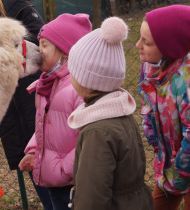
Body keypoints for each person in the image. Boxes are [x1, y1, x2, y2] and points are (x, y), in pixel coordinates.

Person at [0, 0, 53, 209]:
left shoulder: (16, 5)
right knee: (30, 157)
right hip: (8, 100)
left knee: (46, 153)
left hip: (30, 93)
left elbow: (40, 41)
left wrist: (6, 45)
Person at [66, 16, 154, 209]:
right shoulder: (121, 113)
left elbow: (91, 199)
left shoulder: (97, 132)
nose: (69, 74)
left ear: (85, 80)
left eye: (72, 69)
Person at [19, 13, 92, 210]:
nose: (38, 50)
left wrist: (65, 170)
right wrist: (34, 151)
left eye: (44, 45)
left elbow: (89, 138)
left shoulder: (77, 88)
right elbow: (45, 125)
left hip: (72, 182)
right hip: (54, 178)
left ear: (66, 52)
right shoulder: (47, 83)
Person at [137, 5, 190, 210]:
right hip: (170, 165)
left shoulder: (185, 83)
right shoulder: (150, 68)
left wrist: (181, 170)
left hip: (182, 165)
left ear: (168, 47)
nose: (137, 44)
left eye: (146, 42)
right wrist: (154, 141)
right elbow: (147, 103)